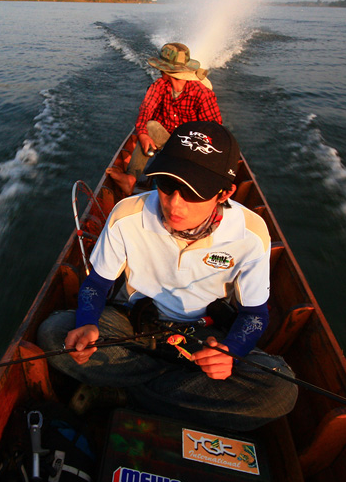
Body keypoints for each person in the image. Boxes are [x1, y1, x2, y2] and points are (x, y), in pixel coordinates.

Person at [38, 121, 297, 431]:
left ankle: (125, 390)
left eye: (192, 193)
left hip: (201, 337)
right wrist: (88, 324)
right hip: (131, 327)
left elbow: (254, 314)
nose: (175, 204)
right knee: (54, 334)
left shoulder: (251, 234)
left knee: (281, 390)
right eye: (166, 184)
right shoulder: (127, 214)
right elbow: (97, 283)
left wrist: (231, 351)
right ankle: (173, 395)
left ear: (224, 192)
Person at [106, 42, 222, 196]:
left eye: (161, 67)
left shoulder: (201, 94)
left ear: (168, 70)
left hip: (189, 147)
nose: (159, 70)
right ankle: (131, 178)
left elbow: (215, 130)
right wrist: (142, 134)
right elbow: (145, 111)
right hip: (166, 139)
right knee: (150, 126)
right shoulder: (160, 86)